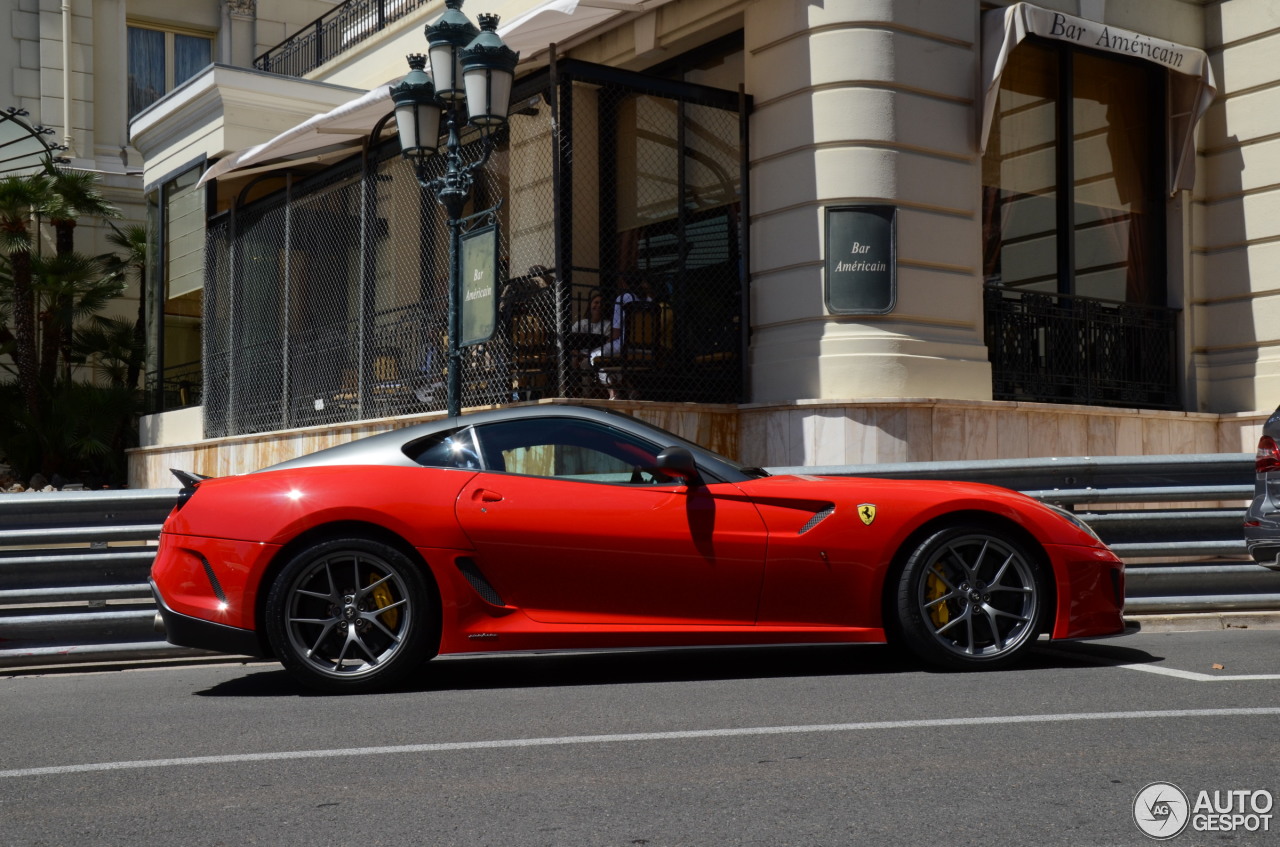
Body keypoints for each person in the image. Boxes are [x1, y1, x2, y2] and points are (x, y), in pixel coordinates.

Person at [589, 274, 653, 398]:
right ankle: (630, 390)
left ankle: (613, 392)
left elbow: (616, 332)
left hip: (625, 343)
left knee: (594, 356)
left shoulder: (623, 298)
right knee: (612, 361)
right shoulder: (649, 300)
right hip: (646, 347)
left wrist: (608, 341)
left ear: (624, 284)